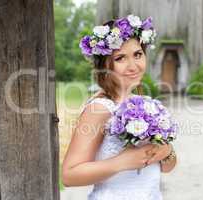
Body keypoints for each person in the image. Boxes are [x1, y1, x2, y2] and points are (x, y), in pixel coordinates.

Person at [62, 14, 177, 200]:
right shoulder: (100, 108)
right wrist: (122, 161)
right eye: (121, 58)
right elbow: (69, 175)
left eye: (138, 55)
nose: (133, 66)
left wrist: (167, 151)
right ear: (105, 65)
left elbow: (167, 167)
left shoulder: (146, 105)